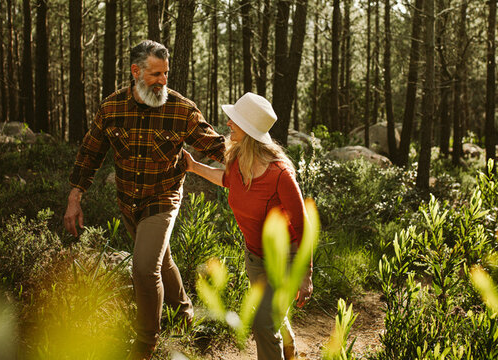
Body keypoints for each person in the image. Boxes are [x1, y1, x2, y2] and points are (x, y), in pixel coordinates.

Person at [63, 40, 225, 360]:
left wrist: (258, 161)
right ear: (136, 72)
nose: (163, 80)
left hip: (163, 197)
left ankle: (146, 342)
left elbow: (217, 146)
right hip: (128, 201)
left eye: (166, 73)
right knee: (160, 260)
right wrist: (75, 197)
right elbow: (89, 153)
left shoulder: (181, 109)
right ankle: (184, 313)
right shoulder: (111, 108)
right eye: (155, 74)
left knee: (143, 267)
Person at [182, 92, 313, 360]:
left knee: (263, 323)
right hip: (255, 257)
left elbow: (303, 225)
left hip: (285, 259)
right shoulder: (238, 158)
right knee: (272, 316)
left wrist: (306, 274)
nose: (228, 123)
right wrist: (194, 167)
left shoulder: (280, 174)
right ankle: (291, 353)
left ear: (249, 129)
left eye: (235, 120)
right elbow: (226, 180)